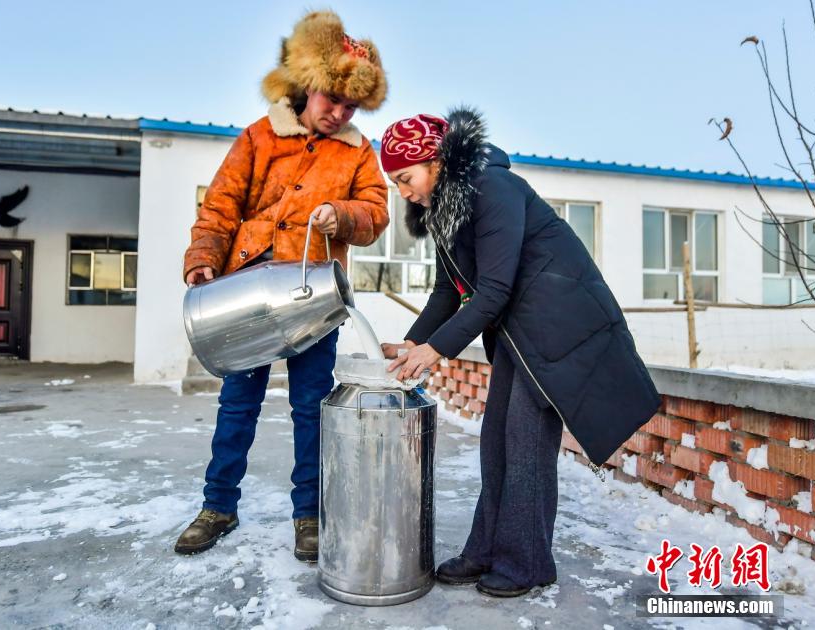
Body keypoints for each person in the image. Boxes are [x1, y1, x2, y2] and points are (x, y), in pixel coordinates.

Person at [379, 109, 660, 597]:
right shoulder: (446, 207)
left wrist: (435, 352)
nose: (403, 191)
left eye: (405, 178)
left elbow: (491, 290)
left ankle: (526, 563)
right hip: (518, 334)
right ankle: (486, 551)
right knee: (497, 442)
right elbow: (448, 292)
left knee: (526, 445)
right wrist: (413, 342)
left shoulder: (493, 188)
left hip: (558, 325)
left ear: (436, 161)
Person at [176, 10, 389, 562]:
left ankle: (310, 516)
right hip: (246, 291)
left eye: (349, 106)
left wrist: (340, 214)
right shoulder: (259, 137)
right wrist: (204, 256)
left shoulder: (358, 152)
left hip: (313, 295)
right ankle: (217, 506)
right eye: (331, 100)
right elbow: (221, 204)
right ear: (308, 85)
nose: (338, 113)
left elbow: (376, 213)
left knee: (311, 408)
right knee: (237, 404)